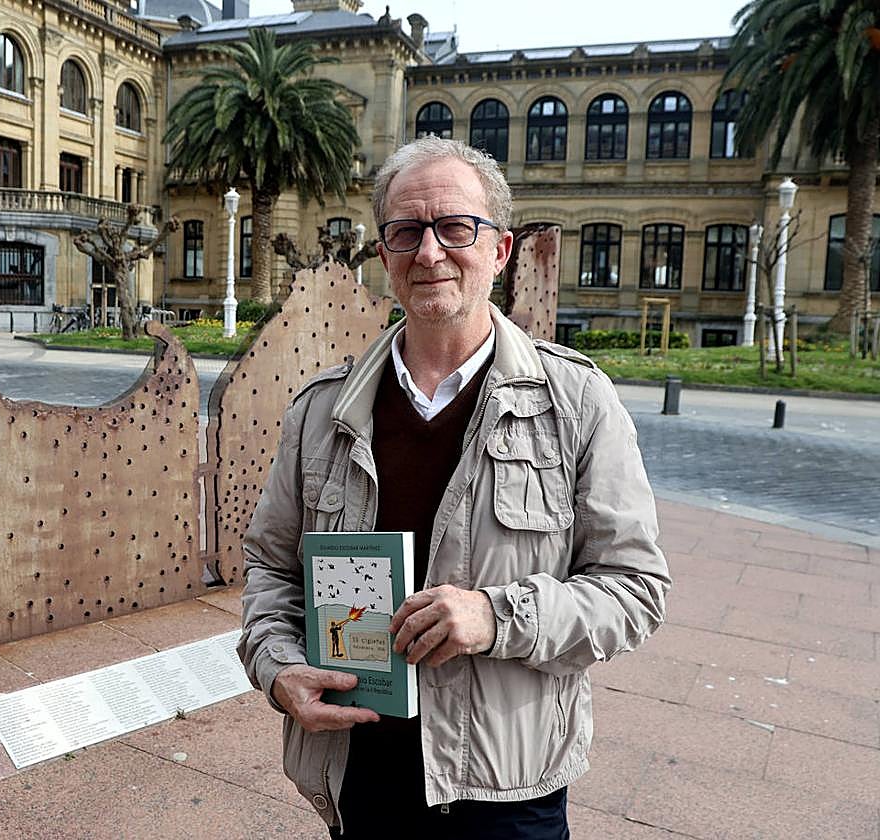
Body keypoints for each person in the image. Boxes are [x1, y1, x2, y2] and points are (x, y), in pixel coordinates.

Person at [238, 136, 670, 839]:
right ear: (384, 256)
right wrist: (278, 667)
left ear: (499, 250)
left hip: (506, 784)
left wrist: (497, 617)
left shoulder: (577, 402)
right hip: (360, 768)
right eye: (406, 231)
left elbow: (634, 589)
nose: (430, 252)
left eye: (455, 228)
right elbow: (270, 567)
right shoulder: (323, 410)